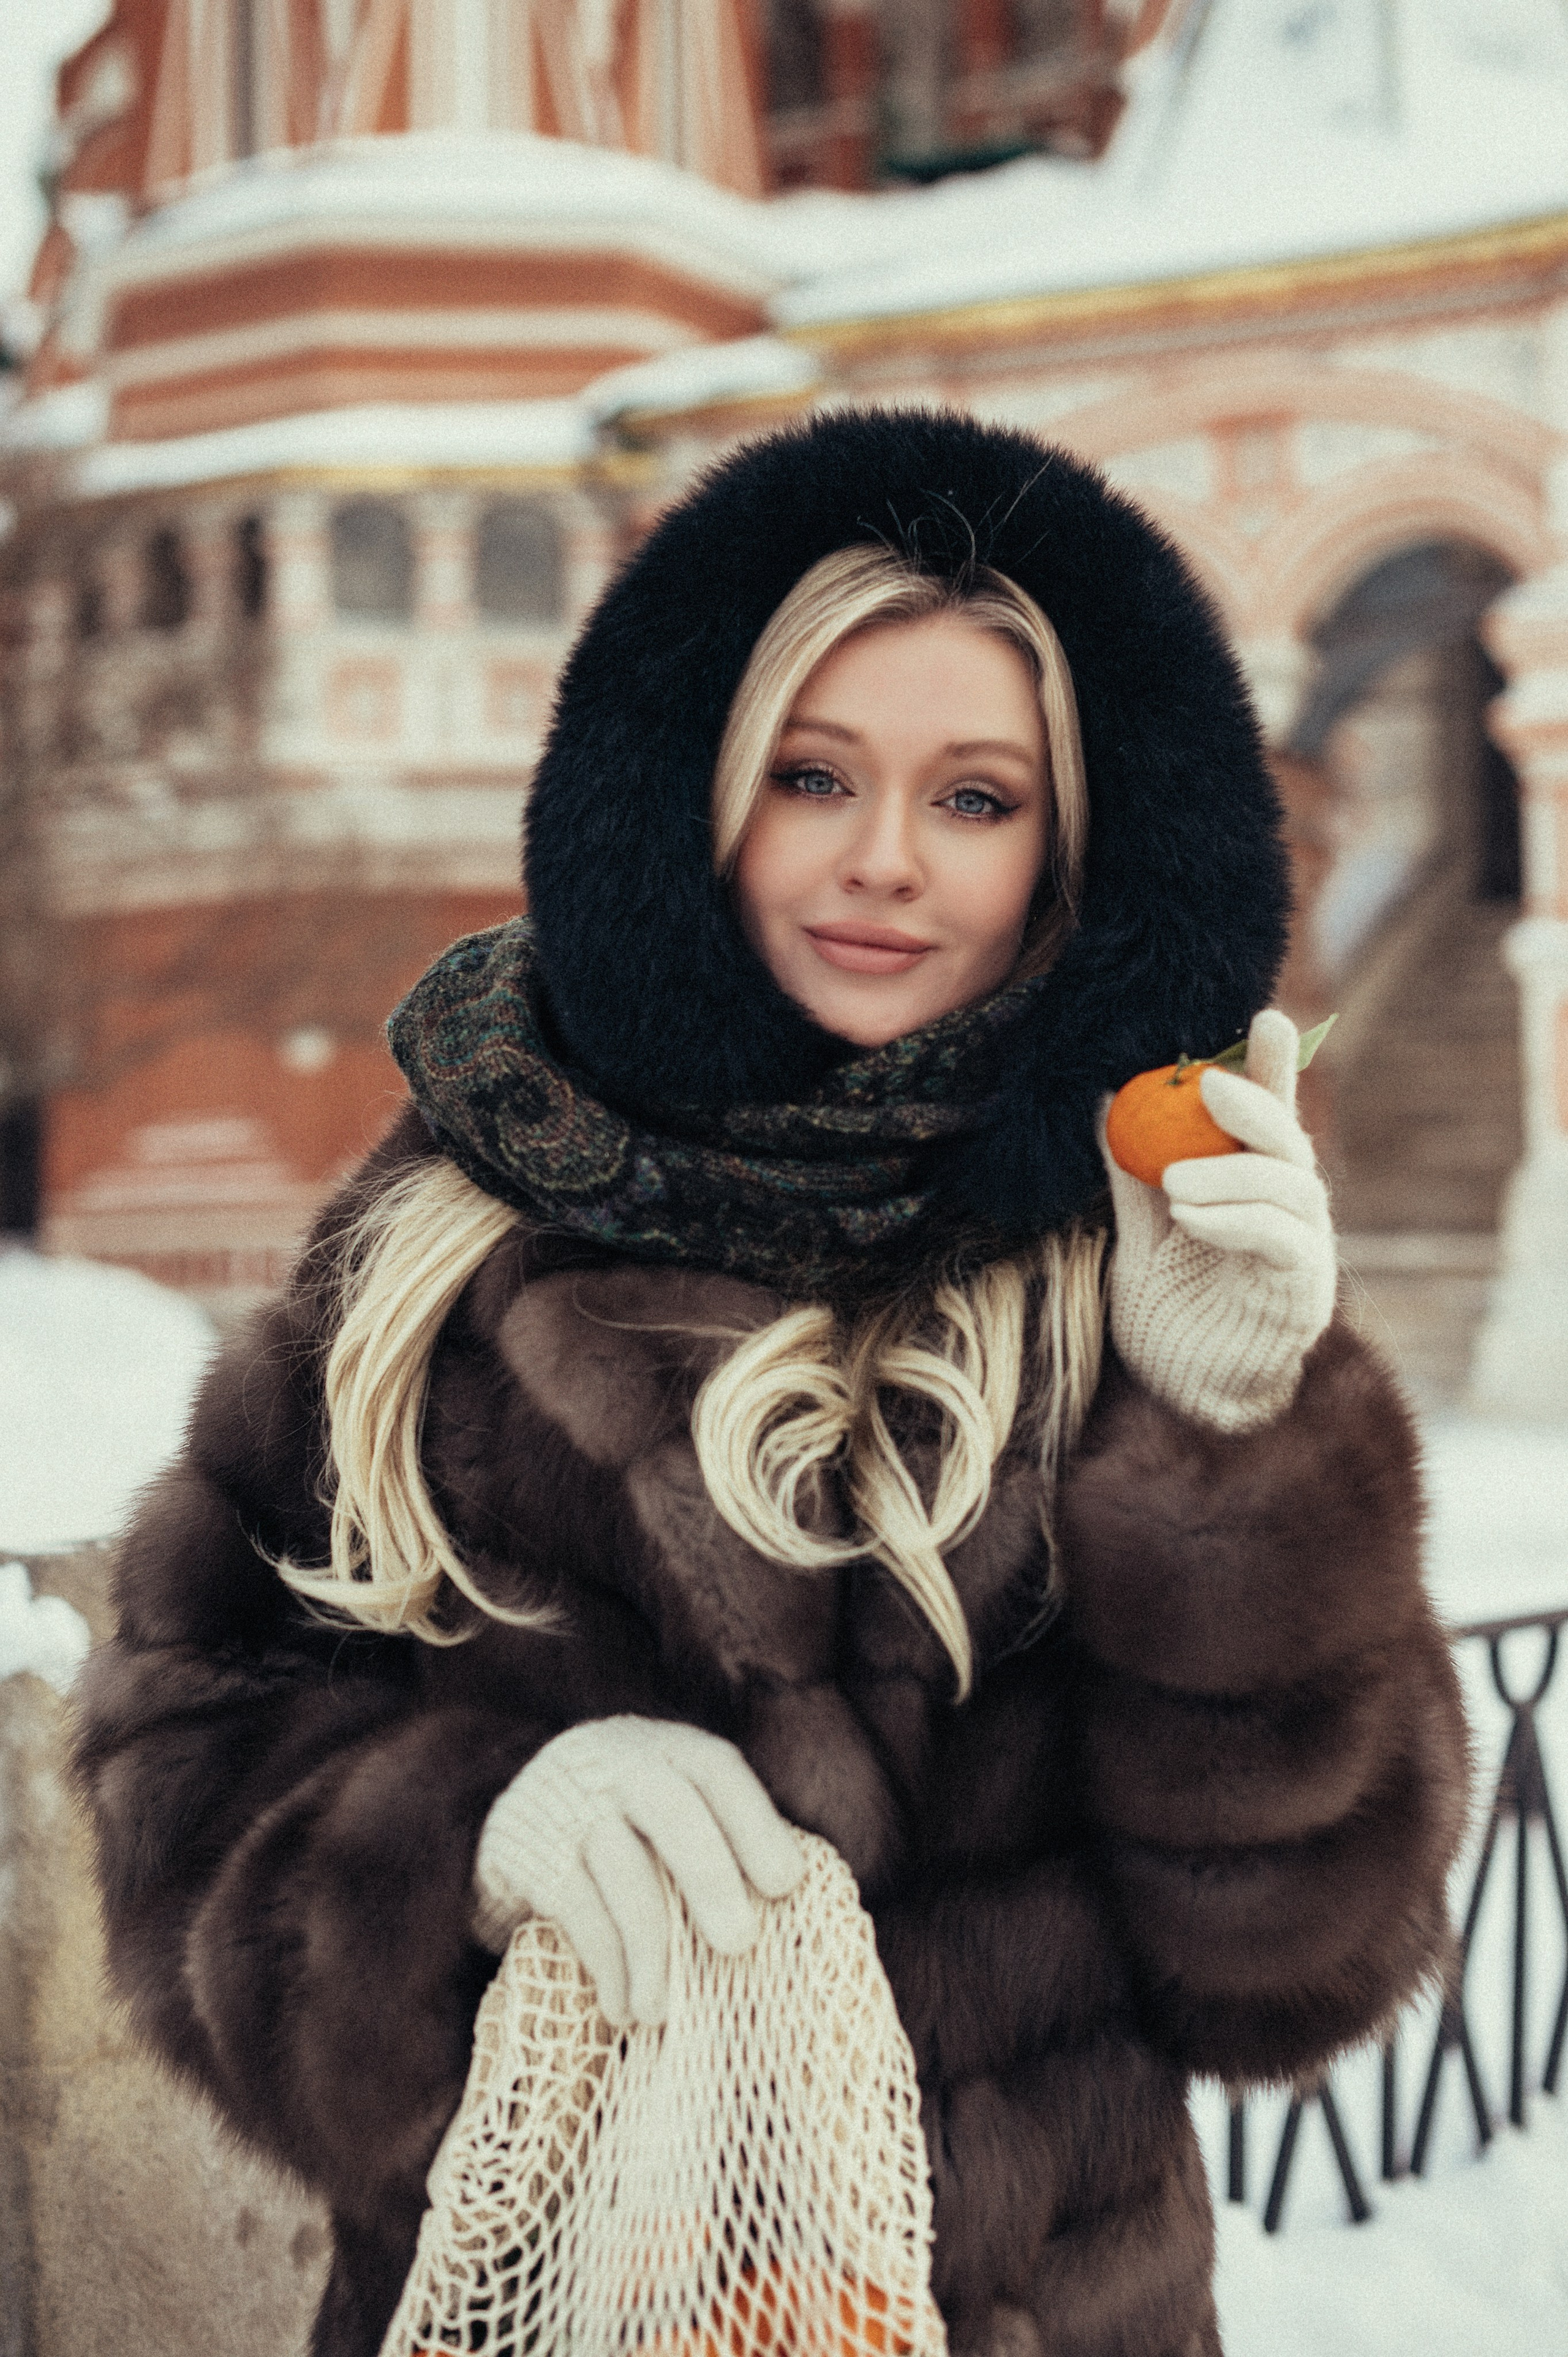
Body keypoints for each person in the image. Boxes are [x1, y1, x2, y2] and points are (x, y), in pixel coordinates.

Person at [74, 410, 1468, 2357]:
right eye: (816, 775)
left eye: (976, 798)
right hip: (549, 2306)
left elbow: (1294, 1968)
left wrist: (1236, 1437)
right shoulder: (452, 1227)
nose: (883, 861)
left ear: (1070, 850)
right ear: (700, 792)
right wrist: (468, 1834)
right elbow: (182, 1774)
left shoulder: (1128, 1258)